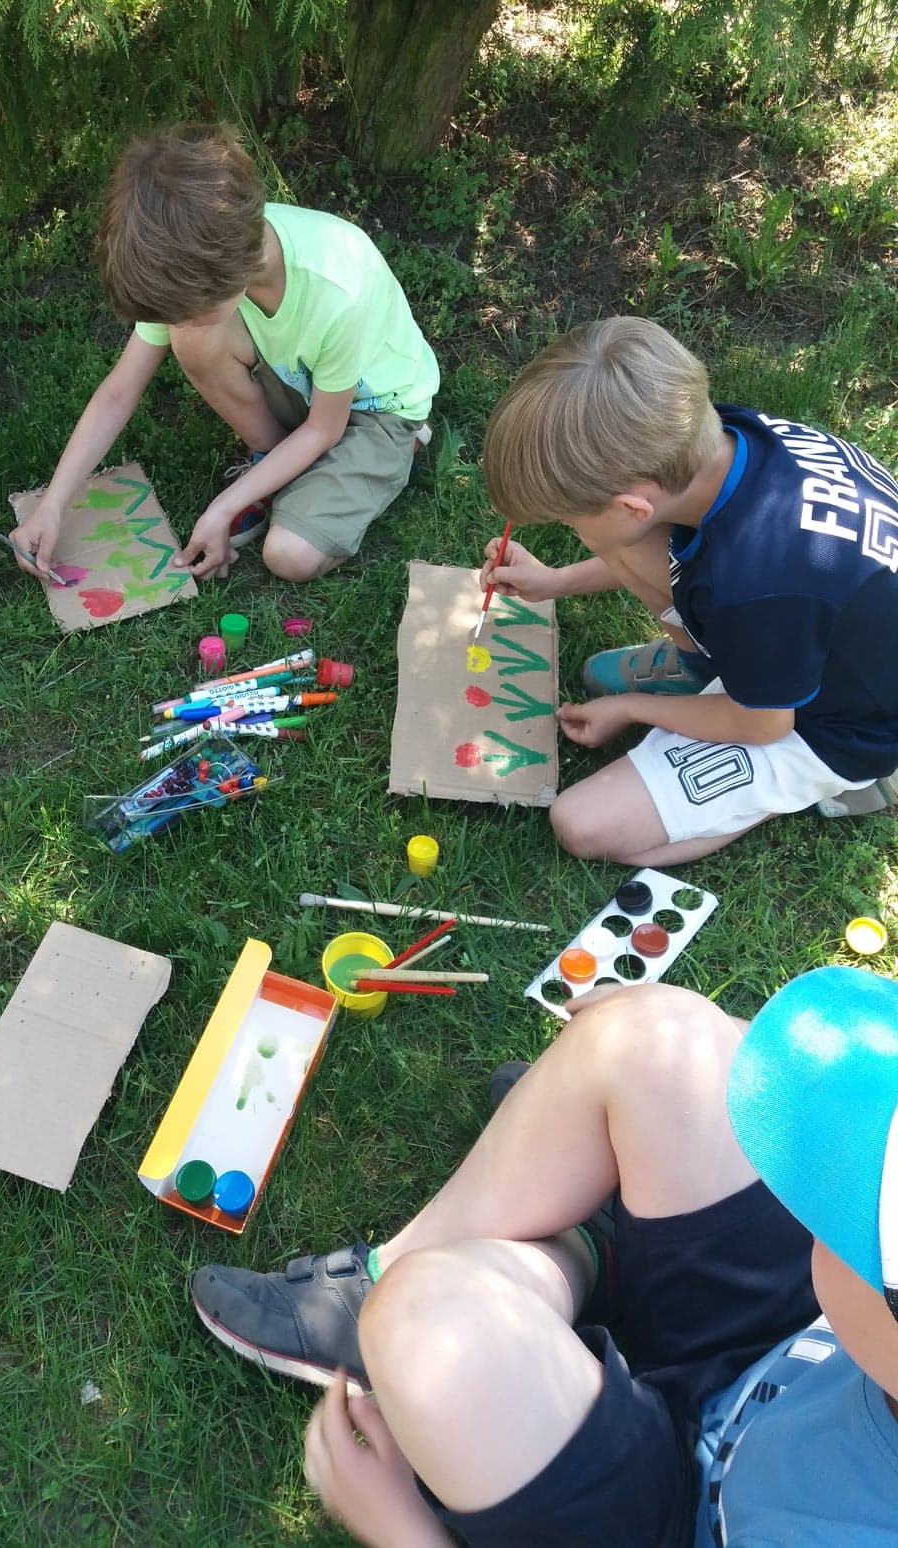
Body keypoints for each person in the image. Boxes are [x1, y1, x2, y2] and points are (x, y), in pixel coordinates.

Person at [191, 968, 898, 1546]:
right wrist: (713, 1044)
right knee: (660, 1039)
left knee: (426, 1325)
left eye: (855, 1200)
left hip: (671, 1513)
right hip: (784, 1344)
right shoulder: (868, 1318)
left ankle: (579, 1239)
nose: (832, 1181)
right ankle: (590, 1246)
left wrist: (405, 1533)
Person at [474, 316, 898, 866]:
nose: (570, 530)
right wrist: (554, 582)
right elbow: (652, 544)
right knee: (626, 545)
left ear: (633, 507)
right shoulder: (730, 438)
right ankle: (711, 668)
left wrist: (632, 708)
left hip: (837, 725)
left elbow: (764, 724)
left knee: (583, 824)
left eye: (568, 521)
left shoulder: (757, 586)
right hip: (809, 642)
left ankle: (834, 785)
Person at [9, 123, 438, 585]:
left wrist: (224, 506)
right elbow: (119, 393)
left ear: (224, 277)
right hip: (309, 386)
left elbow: (323, 429)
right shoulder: (193, 256)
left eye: (186, 312)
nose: (177, 323)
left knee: (289, 555)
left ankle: (400, 449)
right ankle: (273, 463)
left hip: (374, 412)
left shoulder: (335, 289)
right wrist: (52, 506)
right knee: (195, 339)